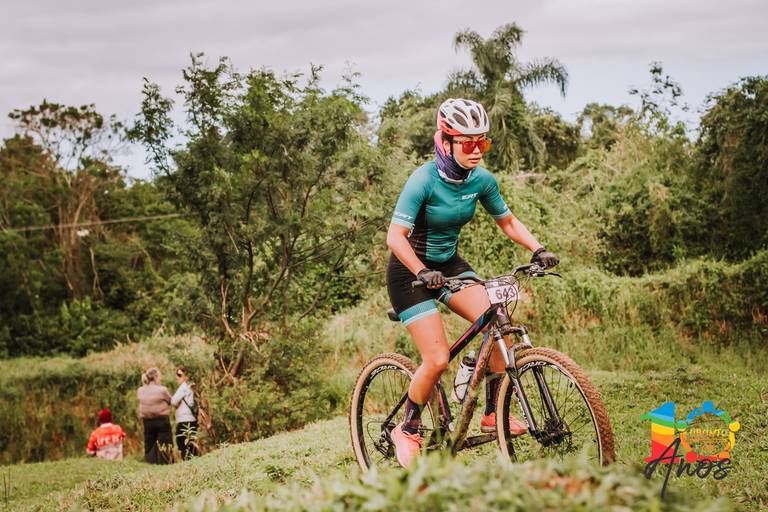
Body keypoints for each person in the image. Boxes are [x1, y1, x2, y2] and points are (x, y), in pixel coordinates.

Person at [386, 98, 559, 468]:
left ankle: (493, 413)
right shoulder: (423, 180)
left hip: (449, 265)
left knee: (496, 320)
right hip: (409, 272)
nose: (478, 150)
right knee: (437, 359)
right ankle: (408, 427)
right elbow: (395, 237)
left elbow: (507, 221)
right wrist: (421, 271)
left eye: (483, 142)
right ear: (446, 142)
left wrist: (538, 248)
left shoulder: (482, 180)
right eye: (469, 143)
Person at [137, 367, 173, 464]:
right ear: (156, 377)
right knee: (165, 442)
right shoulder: (162, 390)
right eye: (159, 376)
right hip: (162, 421)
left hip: (147, 421)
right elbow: (170, 401)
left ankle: (150, 462)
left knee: (149, 443)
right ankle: (166, 461)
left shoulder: (140, 390)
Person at [171, 367, 198, 460]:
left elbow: (173, 401)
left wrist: (177, 404)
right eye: (177, 375)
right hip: (192, 419)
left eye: (180, 375)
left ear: (186, 376)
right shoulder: (193, 386)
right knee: (191, 444)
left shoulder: (184, 386)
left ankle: (188, 462)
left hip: (184, 420)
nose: (177, 377)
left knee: (182, 444)